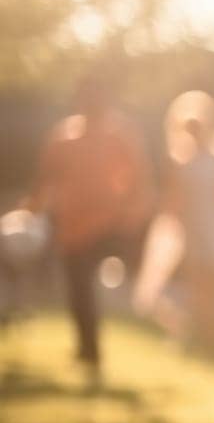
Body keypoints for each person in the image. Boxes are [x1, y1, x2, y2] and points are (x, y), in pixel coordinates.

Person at [18, 72, 153, 385]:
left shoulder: (119, 135)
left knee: (88, 283)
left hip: (108, 224)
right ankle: (87, 349)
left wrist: (133, 210)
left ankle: (99, 339)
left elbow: (137, 176)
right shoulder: (64, 136)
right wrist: (32, 208)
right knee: (78, 290)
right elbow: (47, 178)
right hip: (71, 227)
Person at [136, 91, 214, 359]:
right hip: (192, 230)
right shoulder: (180, 163)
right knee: (196, 288)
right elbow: (173, 200)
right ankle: (197, 339)